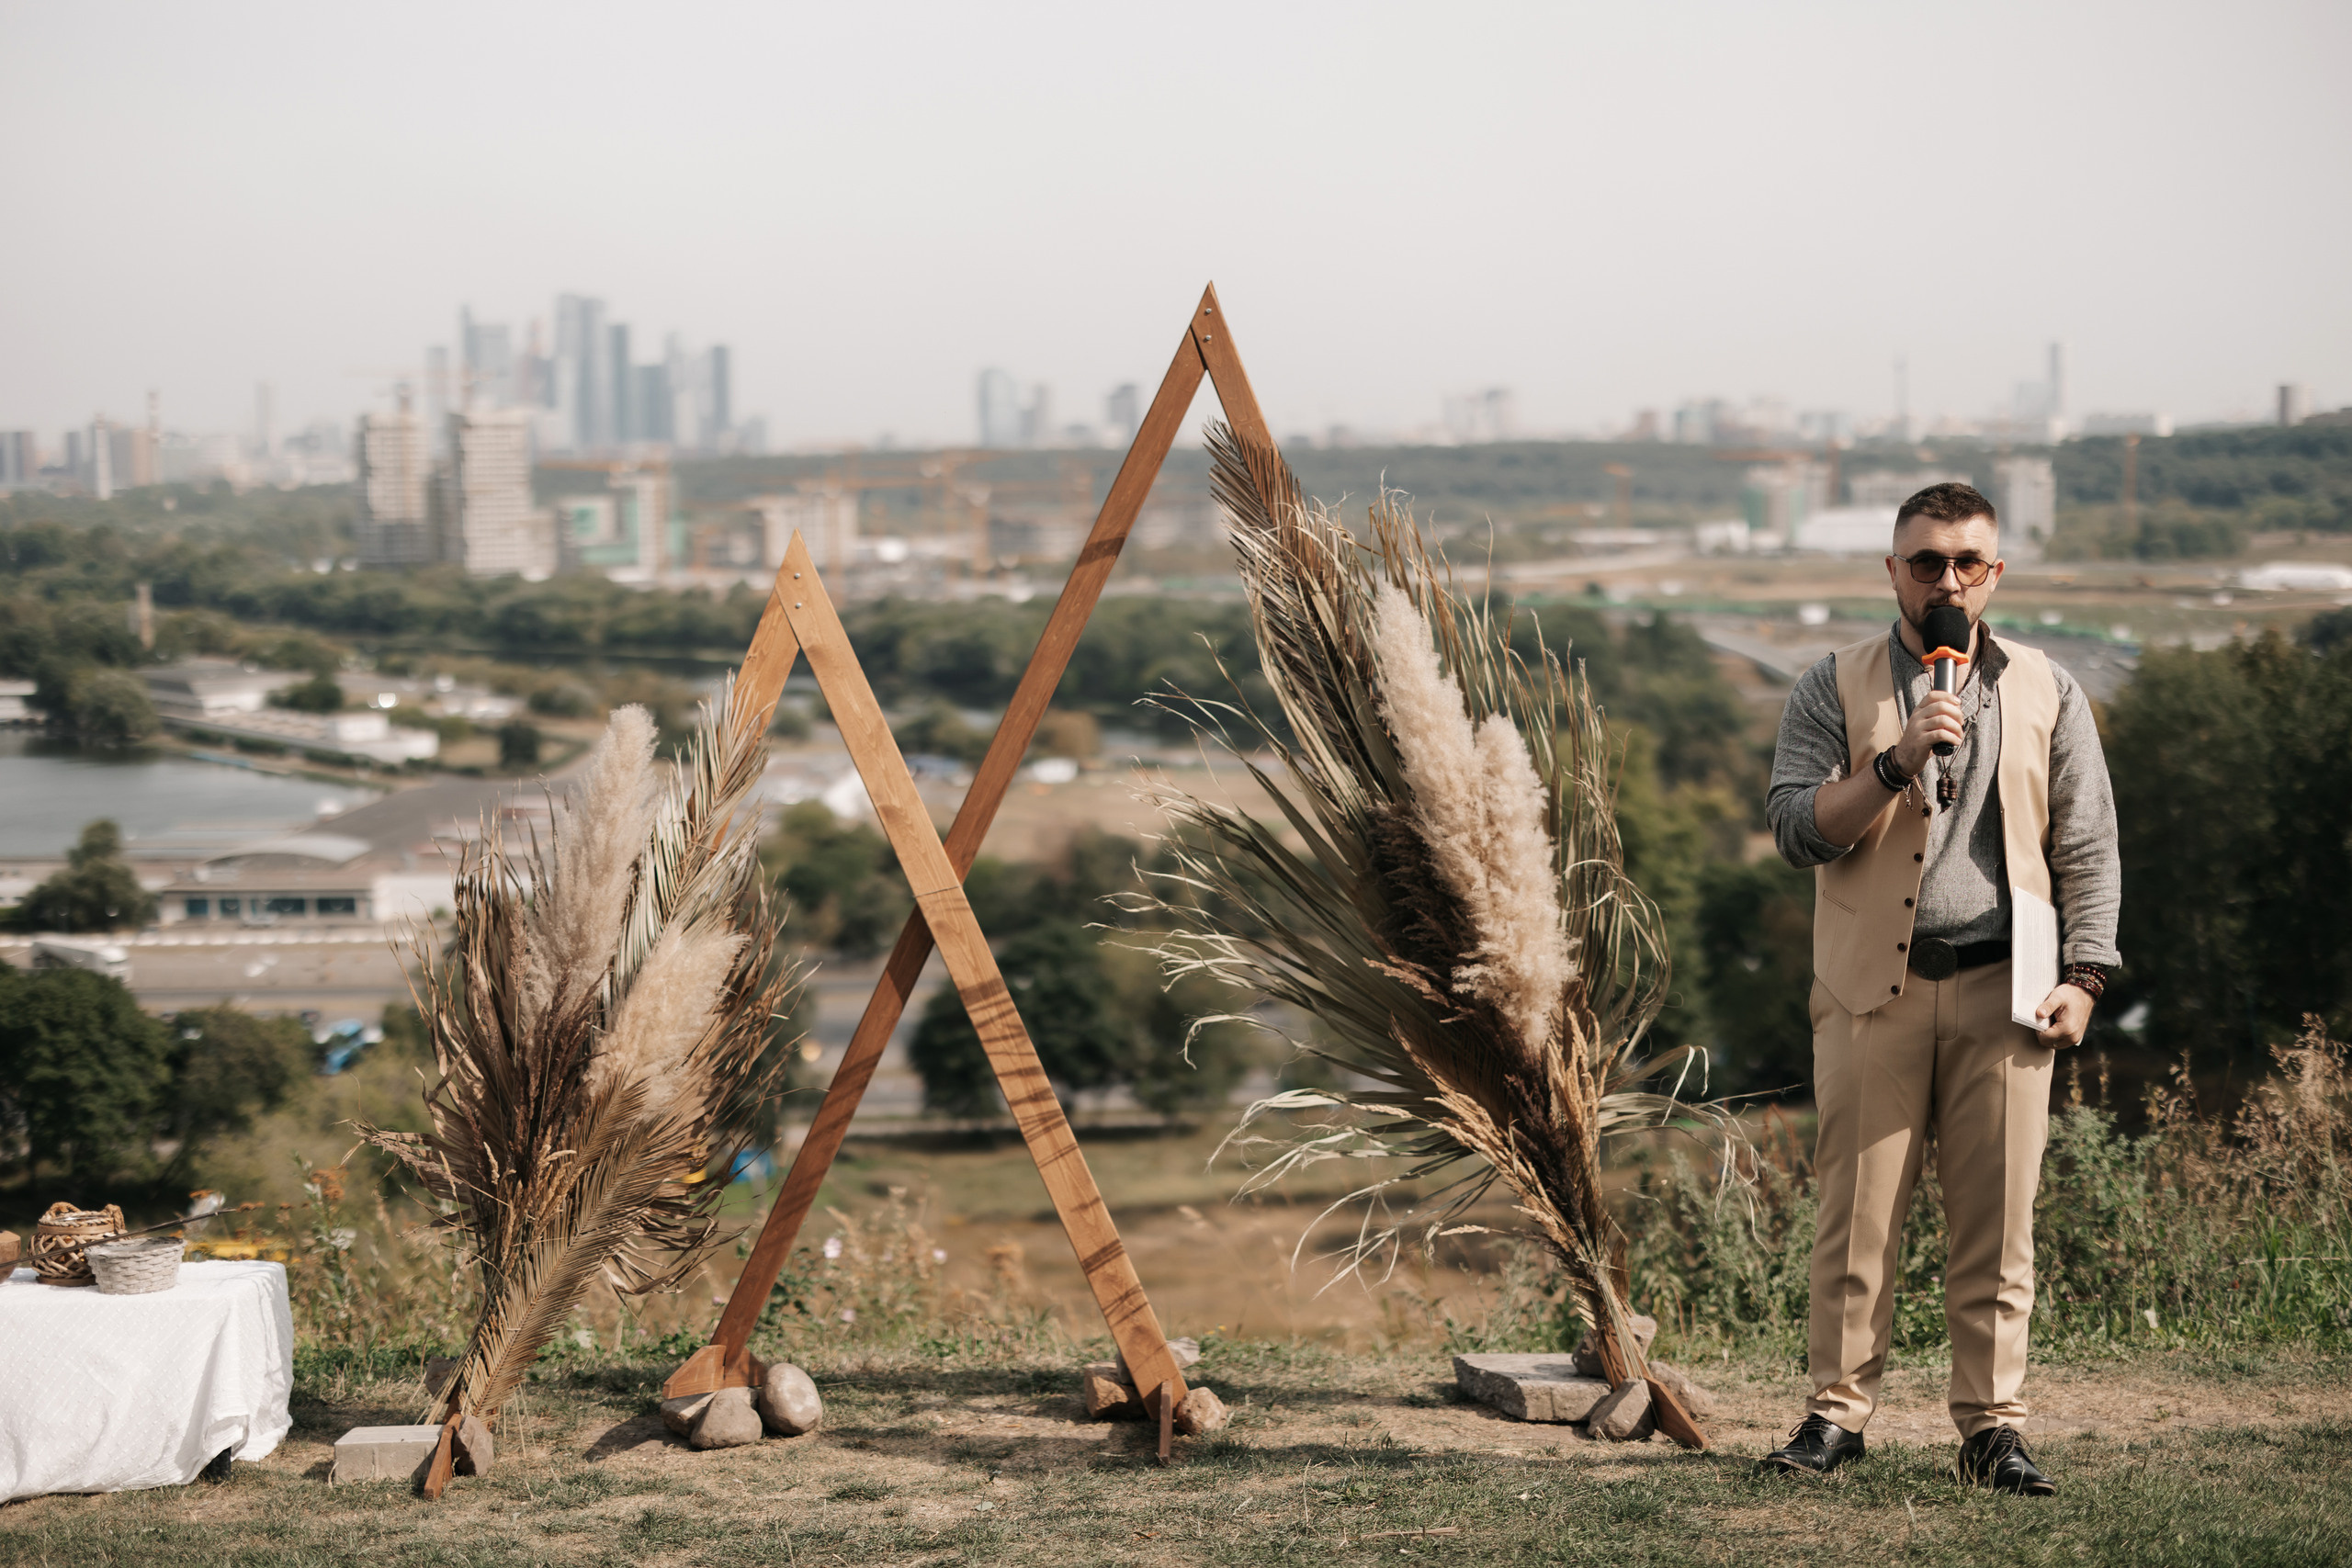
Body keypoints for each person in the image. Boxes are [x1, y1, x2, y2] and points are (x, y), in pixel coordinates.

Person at [1757, 481, 2120, 1495]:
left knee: (1999, 1227)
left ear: (1994, 573)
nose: (1945, 581)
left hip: (2011, 989)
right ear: (1891, 571)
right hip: (1874, 989)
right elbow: (1793, 830)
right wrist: (1893, 759)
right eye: (1925, 562)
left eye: (1965, 562)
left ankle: (1991, 1429)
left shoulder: (2050, 687)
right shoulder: (1830, 685)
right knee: (1856, 1219)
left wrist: (2084, 978)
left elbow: (2087, 847)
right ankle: (1835, 1416)